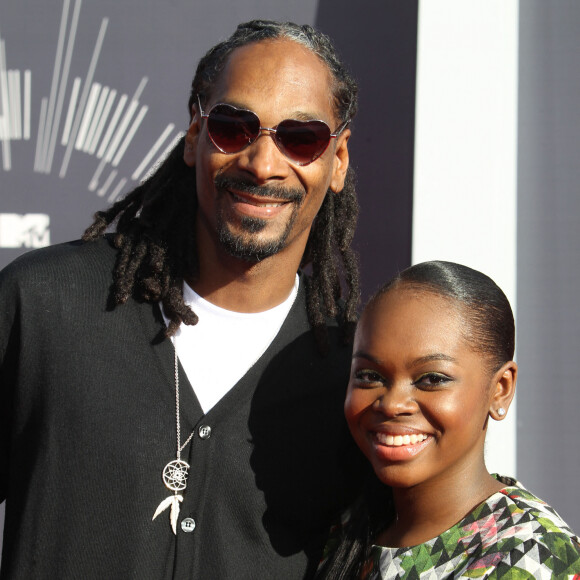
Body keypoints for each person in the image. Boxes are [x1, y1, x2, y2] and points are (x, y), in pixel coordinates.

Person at [0, 20, 369, 579]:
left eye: (301, 138)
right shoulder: (47, 302)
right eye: (233, 127)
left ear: (336, 160)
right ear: (195, 134)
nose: (263, 163)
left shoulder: (354, 375)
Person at [317, 261, 580, 579]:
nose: (392, 404)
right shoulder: (348, 526)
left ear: (500, 390)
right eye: (370, 375)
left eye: (431, 379)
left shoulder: (535, 554)